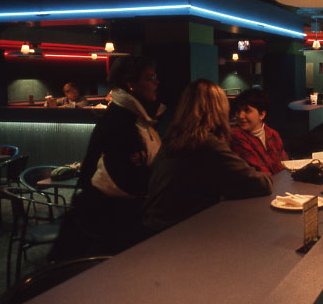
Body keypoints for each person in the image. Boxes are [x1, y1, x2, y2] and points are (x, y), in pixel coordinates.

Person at [51, 56, 164, 259]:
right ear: (131, 84)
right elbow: (125, 181)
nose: (157, 82)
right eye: (150, 77)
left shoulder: (138, 117)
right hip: (110, 226)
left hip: (118, 221)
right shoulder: (119, 121)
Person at [143, 80, 273, 234]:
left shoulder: (173, 138)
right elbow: (263, 184)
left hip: (153, 227)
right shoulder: (206, 143)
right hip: (176, 232)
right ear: (218, 108)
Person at [230, 88, 289, 174]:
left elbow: (285, 165)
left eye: (247, 110)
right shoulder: (236, 137)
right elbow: (260, 172)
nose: (240, 116)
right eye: (238, 111)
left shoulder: (273, 134)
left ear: (262, 114)